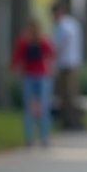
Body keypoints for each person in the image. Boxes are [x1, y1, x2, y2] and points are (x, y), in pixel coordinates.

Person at [11, 19, 55, 147]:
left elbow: (51, 53)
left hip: (39, 76)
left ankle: (41, 137)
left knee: (42, 109)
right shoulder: (25, 41)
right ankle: (32, 138)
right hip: (33, 76)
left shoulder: (41, 41)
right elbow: (18, 56)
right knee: (32, 109)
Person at [51, 0, 85, 130]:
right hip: (71, 62)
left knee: (67, 94)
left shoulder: (63, 24)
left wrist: (56, 53)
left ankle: (71, 122)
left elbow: (66, 39)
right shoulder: (72, 23)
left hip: (66, 63)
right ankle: (70, 121)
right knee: (68, 94)